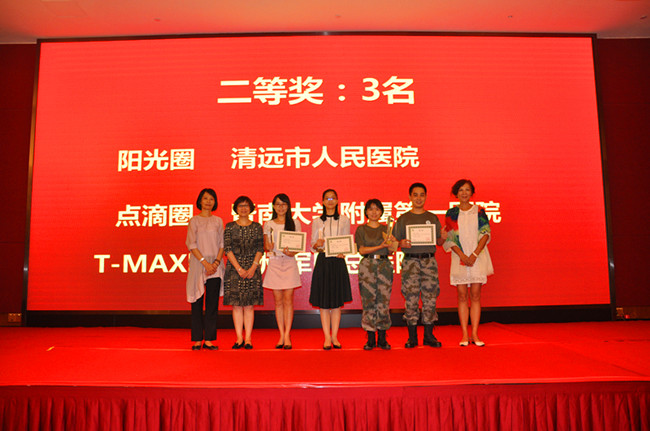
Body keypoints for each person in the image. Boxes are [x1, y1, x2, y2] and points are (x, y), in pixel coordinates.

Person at [393, 182, 447, 348]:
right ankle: (412, 337)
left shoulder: (432, 217)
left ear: (426, 197)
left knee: (430, 298)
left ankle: (429, 336)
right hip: (410, 262)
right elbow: (392, 242)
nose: (418, 198)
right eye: (415, 195)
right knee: (411, 298)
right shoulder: (403, 219)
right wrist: (400, 243)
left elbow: (439, 242)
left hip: (429, 261)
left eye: (421, 195)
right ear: (410, 197)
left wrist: (443, 237)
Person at [443, 179, 493, 347]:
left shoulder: (479, 211)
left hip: (477, 257)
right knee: (462, 295)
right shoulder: (451, 213)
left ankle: (475, 334)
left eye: (467, 190)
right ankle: (465, 334)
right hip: (459, 258)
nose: (464, 193)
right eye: (461, 190)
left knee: (476, 295)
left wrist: (474, 254)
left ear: (472, 193)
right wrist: (463, 256)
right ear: (455, 193)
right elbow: (450, 238)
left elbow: (485, 233)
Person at [310, 189, 352, 350]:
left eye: (333, 198)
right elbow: (313, 245)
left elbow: (347, 241)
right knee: (324, 302)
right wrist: (317, 244)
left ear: (337, 200)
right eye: (327, 198)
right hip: (323, 261)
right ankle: (326, 337)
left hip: (338, 262)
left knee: (336, 303)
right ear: (322, 201)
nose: (330, 201)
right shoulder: (316, 221)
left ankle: (334, 336)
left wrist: (344, 251)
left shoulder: (344, 219)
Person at [354, 199, 397, 350]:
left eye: (377, 209)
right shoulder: (361, 229)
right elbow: (361, 250)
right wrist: (380, 246)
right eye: (371, 209)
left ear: (381, 212)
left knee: (383, 301)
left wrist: (392, 242)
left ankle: (383, 338)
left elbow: (391, 251)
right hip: (367, 265)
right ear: (366, 211)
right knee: (368, 301)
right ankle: (370, 337)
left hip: (384, 265)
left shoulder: (387, 229)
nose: (374, 212)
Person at [185, 188, 224, 351]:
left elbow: (222, 244)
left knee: (212, 304)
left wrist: (215, 262)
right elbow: (191, 244)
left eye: (211, 199)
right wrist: (204, 263)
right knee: (197, 303)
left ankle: (209, 339)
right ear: (200, 201)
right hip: (198, 264)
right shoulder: (194, 221)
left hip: (215, 266)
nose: (208, 202)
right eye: (205, 198)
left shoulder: (218, 221)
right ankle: (197, 339)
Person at [223, 196, 264, 350]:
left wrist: (253, 267)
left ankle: (248, 339)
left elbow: (260, 248)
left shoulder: (257, 227)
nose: (243, 208)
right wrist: (239, 268)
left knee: (249, 306)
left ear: (251, 208)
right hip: (234, 269)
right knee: (236, 306)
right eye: (240, 206)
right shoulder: (230, 227)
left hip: (252, 268)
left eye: (246, 206)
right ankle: (239, 337)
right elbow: (228, 249)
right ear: (236, 208)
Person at [263, 193, 302, 350]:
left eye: (284, 204)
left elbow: (298, 246)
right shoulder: (269, 224)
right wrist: (269, 246)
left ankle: (287, 335)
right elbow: (266, 246)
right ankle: (281, 334)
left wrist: (291, 252)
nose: (281, 207)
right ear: (273, 206)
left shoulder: (295, 223)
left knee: (288, 300)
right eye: (278, 204)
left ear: (288, 206)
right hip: (274, 262)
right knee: (278, 301)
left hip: (289, 263)